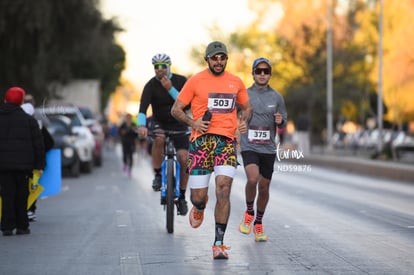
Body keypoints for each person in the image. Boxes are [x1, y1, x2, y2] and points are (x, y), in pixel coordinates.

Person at [171, 41, 252, 260]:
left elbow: (247, 108)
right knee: (198, 197)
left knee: (223, 190)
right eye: (214, 58)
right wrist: (193, 123)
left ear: (226, 59)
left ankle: (218, 244)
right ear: (207, 59)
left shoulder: (236, 82)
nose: (219, 61)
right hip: (200, 143)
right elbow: (176, 109)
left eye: (222, 57)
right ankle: (198, 206)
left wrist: (244, 121)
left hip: (226, 142)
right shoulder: (195, 81)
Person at [238, 57, 287, 242]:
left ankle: (258, 223)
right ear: (253, 73)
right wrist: (240, 123)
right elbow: (235, 115)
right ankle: (249, 212)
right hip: (249, 145)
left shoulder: (277, 97)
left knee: (264, 186)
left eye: (266, 71)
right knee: (252, 178)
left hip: (268, 148)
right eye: (259, 71)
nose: (262, 74)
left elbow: (284, 119)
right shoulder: (243, 94)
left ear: (270, 74)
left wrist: (280, 121)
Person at [137, 53, 189, 216]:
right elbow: (143, 108)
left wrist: (170, 89)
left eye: (162, 67)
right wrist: (141, 125)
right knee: (158, 138)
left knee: (184, 158)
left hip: (179, 122)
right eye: (156, 67)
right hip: (160, 122)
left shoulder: (181, 81)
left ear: (168, 67)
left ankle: (181, 196)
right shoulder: (151, 85)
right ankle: (158, 174)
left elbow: (186, 103)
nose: (159, 70)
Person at [0, 86, 46, 236]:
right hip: (23, 166)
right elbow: (38, 145)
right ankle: (22, 225)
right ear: (21, 101)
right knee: (22, 194)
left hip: (4, 165)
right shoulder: (29, 121)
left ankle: (7, 226)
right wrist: (40, 165)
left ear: (5, 99)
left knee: (7, 194)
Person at [22, 94, 55, 221]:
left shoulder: (14, 119)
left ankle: (22, 211)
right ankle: (30, 209)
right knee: (32, 186)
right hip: (34, 163)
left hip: (20, 163)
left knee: (19, 186)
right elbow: (46, 142)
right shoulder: (37, 121)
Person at [118, 113, 138, 178]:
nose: (128, 119)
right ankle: (125, 164)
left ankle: (130, 170)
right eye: (127, 117)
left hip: (131, 143)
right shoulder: (123, 125)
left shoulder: (133, 125)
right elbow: (119, 132)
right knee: (124, 154)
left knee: (131, 156)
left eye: (129, 117)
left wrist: (134, 130)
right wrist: (122, 132)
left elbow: (136, 134)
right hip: (125, 142)